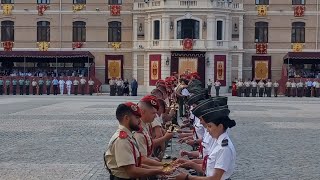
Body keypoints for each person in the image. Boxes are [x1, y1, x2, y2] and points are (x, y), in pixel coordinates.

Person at [104, 102, 168, 180]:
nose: (139, 121)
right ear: (126, 118)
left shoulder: (129, 136)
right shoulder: (122, 140)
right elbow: (132, 171)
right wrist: (159, 170)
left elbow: (138, 163)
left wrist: (161, 167)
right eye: (137, 118)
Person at [176, 105, 236, 180]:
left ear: (220, 127)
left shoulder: (223, 149)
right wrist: (190, 163)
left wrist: (188, 177)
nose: (207, 130)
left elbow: (215, 178)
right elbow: (209, 167)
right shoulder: (218, 143)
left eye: (210, 126)